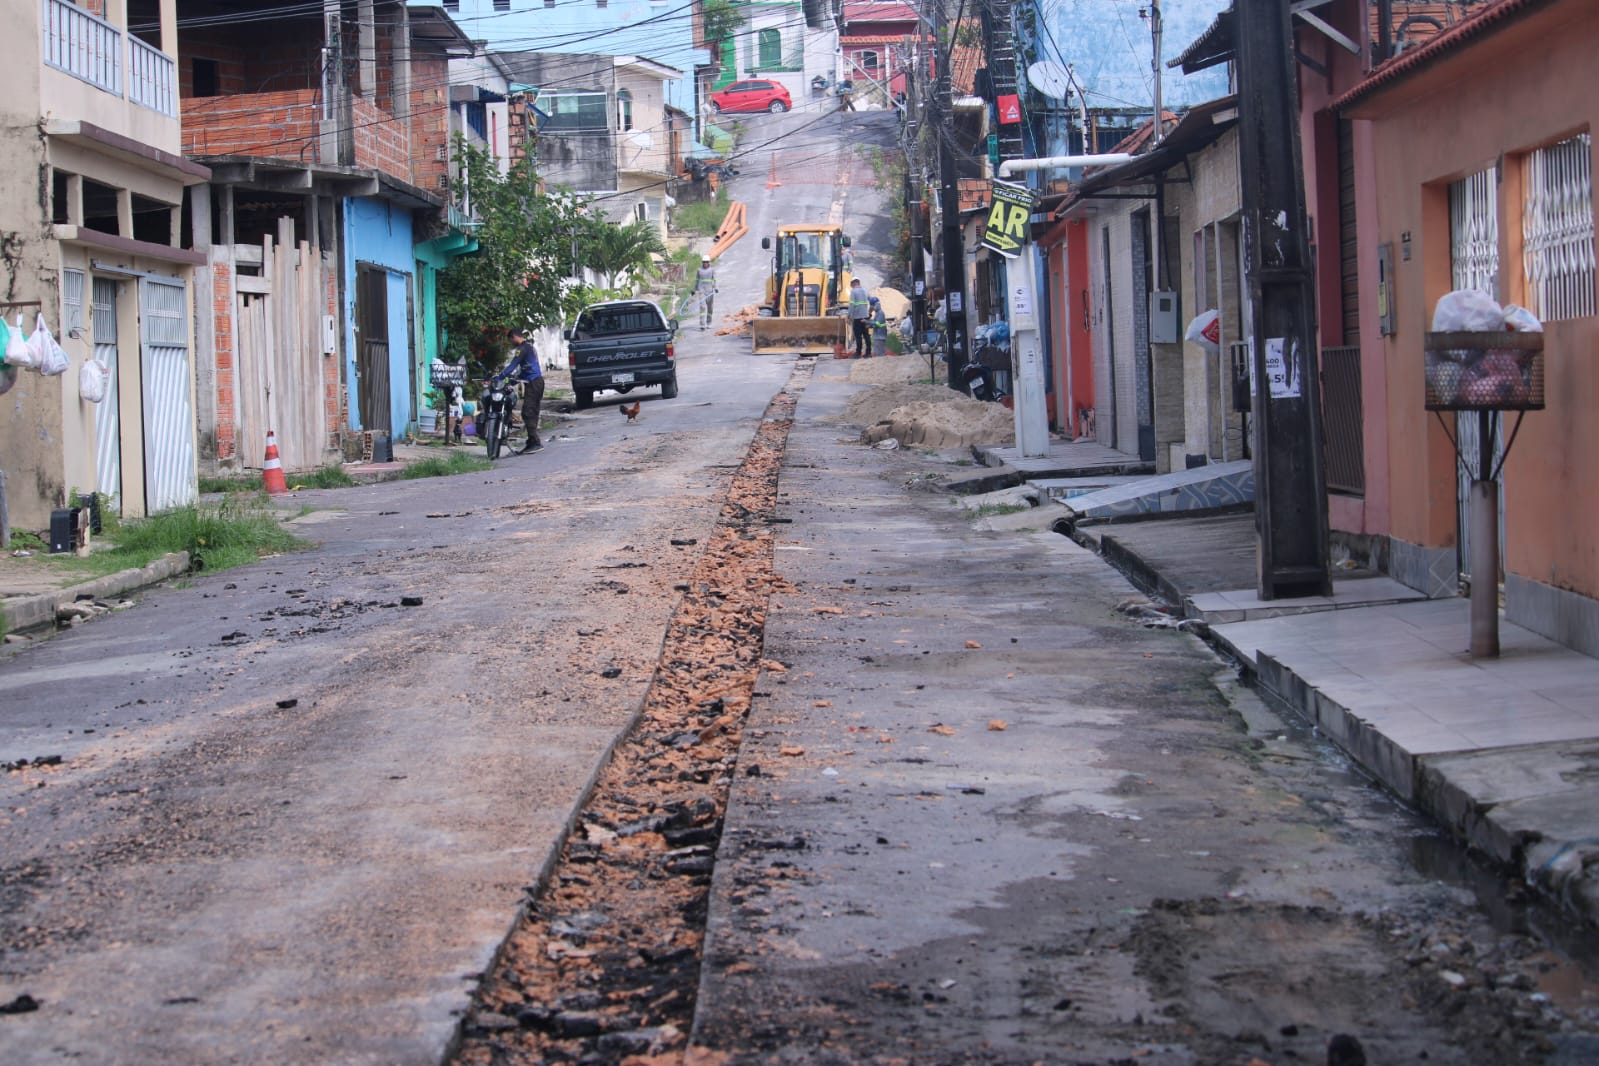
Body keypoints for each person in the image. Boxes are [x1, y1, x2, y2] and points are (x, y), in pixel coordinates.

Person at [494, 327, 544, 454]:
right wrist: (514, 380)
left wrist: (500, 377)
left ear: (514, 337)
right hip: (534, 382)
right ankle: (531, 442)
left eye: (511, 340)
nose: (511, 343)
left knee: (528, 412)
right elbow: (525, 368)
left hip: (534, 382)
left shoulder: (522, 349)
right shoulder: (529, 347)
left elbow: (513, 365)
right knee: (532, 411)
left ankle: (536, 442)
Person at [847, 278, 871, 358]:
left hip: (857, 317)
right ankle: (868, 353)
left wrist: (849, 315)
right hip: (866, 317)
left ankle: (858, 353)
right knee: (866, 335)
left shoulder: (853, 291)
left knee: (858, 336)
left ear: (854, 283)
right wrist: (869, 312)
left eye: (851, 284)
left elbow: (852, 305)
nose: (851, 286)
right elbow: (871, 302)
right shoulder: (866, 291)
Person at [695, 255, 717, 329]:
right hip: (702, 291)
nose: (705, 263)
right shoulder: (699, 270)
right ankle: (702, 324)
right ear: (702, 262)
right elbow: (697, 280)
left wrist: (715, 287)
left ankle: (709, 322)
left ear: (709, 262)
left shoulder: (712, 270)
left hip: (710, 291)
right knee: (702, 307)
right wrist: (694, 289)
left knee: (710, 308)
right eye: (704, 262)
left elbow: (714, 280)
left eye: (706, 262)